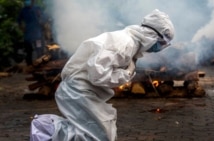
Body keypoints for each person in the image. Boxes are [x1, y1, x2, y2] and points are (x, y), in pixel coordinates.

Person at [30, 9, 174, 141]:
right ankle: (44, 128)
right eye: (161, 43)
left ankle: (46, 131)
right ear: (152, 36)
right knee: (97, 136)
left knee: (97, 134)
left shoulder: (130, 44)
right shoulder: (123, 44)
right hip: (78, 90)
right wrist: (126, 74)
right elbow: (98, 75)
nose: (159, 48)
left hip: (84, 91)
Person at [17, 0, 45, 66]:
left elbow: (43, 18)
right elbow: (19, 21)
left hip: (38, 34)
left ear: (33, 1)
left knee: (39, 49)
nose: (27, 2)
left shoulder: (37, 9)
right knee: (28, 50)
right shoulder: (23, 10)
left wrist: (41, 20)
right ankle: (29, 65)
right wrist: (22, 28)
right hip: (28, 34)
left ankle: (41, 63)